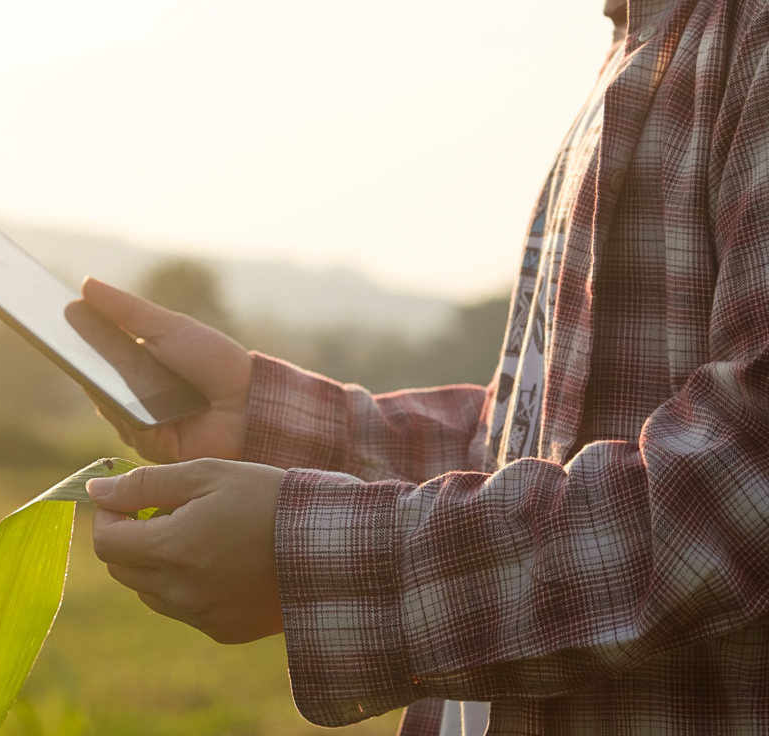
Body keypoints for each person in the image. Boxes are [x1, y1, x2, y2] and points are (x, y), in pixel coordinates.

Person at [78, 0, 769, 733]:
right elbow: (541, 447)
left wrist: (325, 560)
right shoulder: (650, 38)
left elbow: (745, 487)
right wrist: (270, 420)